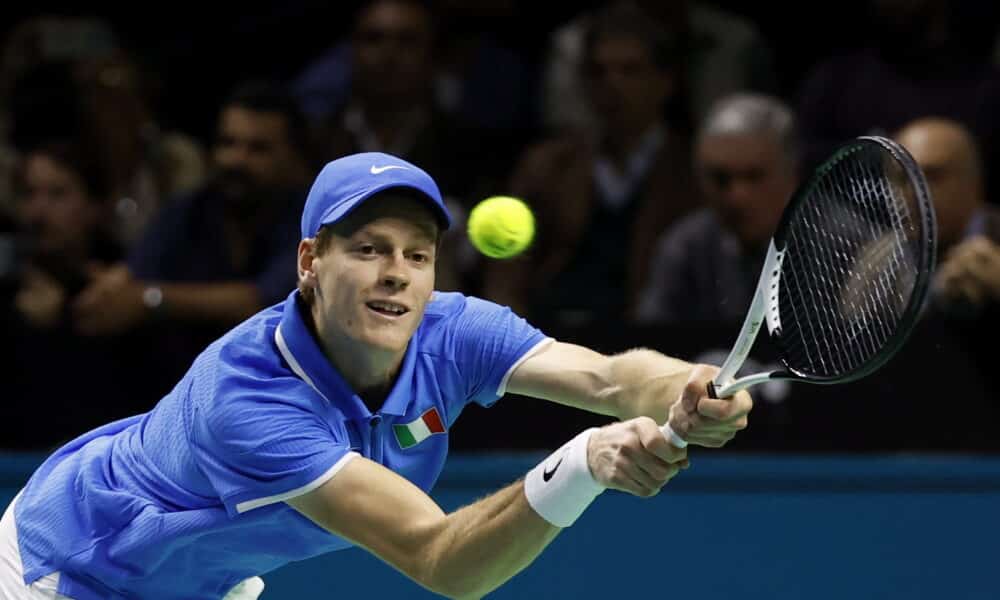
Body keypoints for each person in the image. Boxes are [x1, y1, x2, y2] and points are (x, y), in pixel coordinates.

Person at [0, 151, 752, 599]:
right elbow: (442, 560)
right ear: (308, 264)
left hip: (197, 579)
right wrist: (584, 465)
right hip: (70, 569)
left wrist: (683, 385)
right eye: (367, 248)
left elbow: (612, 379)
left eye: (416, 255)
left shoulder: (452, 329)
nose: (396, 275)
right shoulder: (250, 400)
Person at [69, 81, 314, 394]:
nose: (236, 160)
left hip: (282, 392)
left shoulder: (311, 219)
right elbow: (124, 281)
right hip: (186, 394)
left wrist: (151, 300)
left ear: (292, 157)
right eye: (228, 144)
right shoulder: (189, 209)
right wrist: (100, 292)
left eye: (257, 149)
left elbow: (259, 301)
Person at [481, 3, 699, 327]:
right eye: (598, 71)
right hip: (549, 336)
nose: (612, 83)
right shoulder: (548, 165)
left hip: (648, 339)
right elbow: (508, 274)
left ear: (665, 81)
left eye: (630, 70)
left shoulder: (692, 169)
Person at [635, 93, 799, 324]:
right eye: (721, 179)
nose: (737, 196)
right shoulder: (685, 248)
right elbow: (649, 341)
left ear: (790, 173)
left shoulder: (837, 244)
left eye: (754, 176)